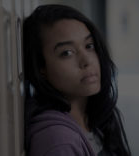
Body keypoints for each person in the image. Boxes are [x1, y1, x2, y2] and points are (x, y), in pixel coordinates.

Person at [23, 4, 131, 156]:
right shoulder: (58, 140)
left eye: (89, 46)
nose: (86, 61)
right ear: (41, 68)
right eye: (67, 53)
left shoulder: (95, 118)